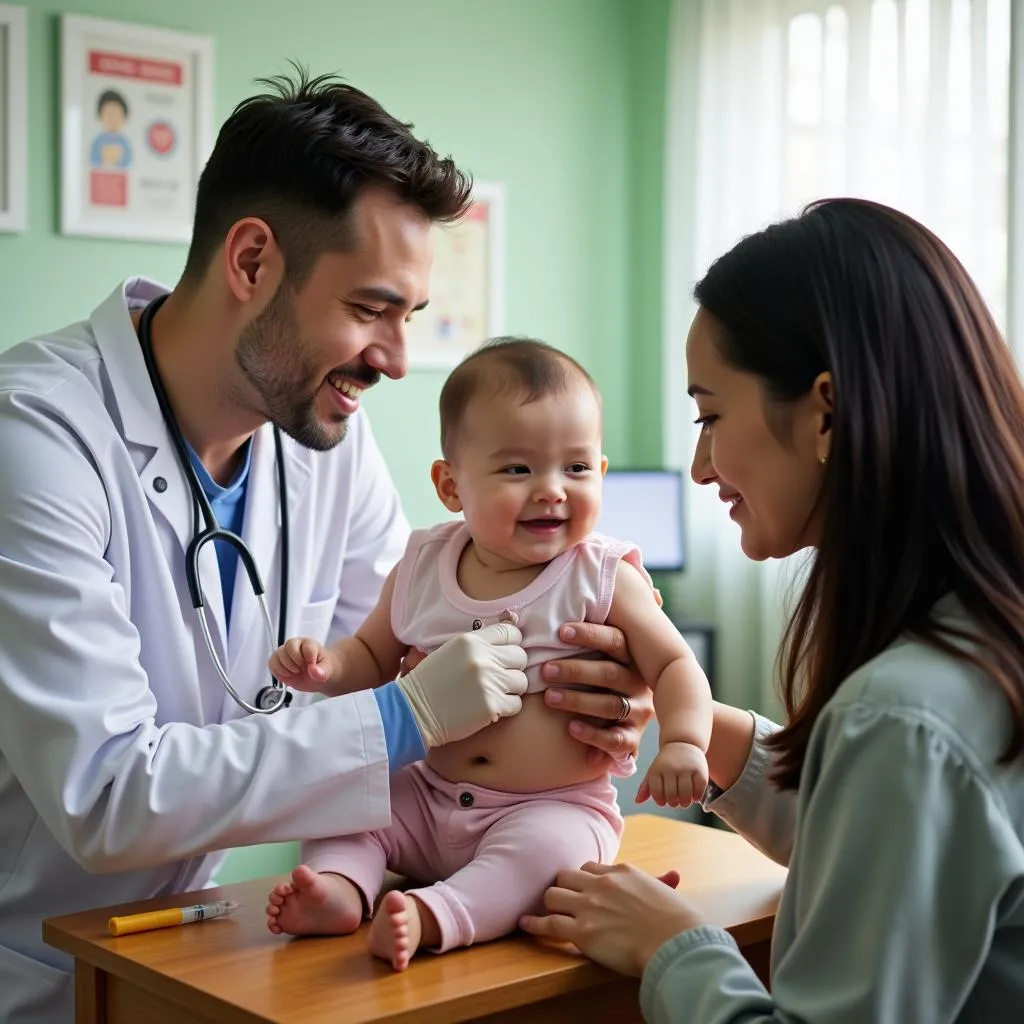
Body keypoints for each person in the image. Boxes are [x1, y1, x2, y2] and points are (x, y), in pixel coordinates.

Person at [0, 71, 653, 1023]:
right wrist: (408, 715)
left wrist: (581, 704)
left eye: (408, 318)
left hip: (202, 949)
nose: (394, 357)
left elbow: (403, 642)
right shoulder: (35, 438)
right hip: (34, 974)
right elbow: (106, 793)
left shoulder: (317, 443)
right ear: (253, 262)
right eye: (370, 309)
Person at [520, 198, 1024, 1022]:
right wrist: (689, 722)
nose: (699, 463)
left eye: (710, 414)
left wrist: (672, 947)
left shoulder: (901, 716)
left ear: (825, 410)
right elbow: (890, 849)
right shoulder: (977, 645)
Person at [262, 338, 712, 969]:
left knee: (547, 856)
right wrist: (326, 667)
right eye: (518, 470)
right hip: (428, 794)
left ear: (601, 474)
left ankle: (436, 914)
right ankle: (341, 886)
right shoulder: (422, 562)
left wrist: (686, 741)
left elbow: (673, 664)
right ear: (451, 486)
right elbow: (371, 654)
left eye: (576, 469)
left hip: (549, 805)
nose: (552, 490)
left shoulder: (602, 575)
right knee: (346, 792)